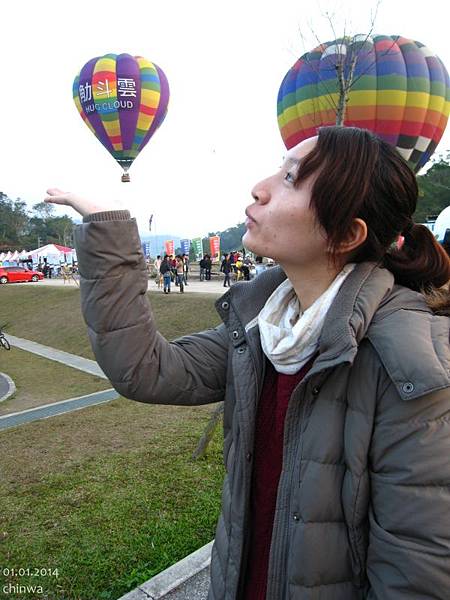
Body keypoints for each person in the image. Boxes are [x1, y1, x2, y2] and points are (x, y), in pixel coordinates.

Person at [45, 126, 450, 600]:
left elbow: (416, 573)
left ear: (345, 234)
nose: (261, 186)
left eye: (292, 177)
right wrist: (106, 227)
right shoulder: (263, 328)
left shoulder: (415, 364)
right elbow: (146, 369)